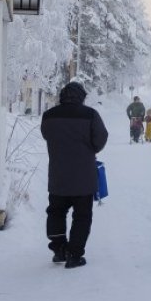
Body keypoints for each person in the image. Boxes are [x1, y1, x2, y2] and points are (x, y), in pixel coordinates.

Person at [40, 82, 109, 269]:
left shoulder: (49, 116)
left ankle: (59, 249)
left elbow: (46, 135)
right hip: (83, 177)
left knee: (56, 212)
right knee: (82, 216)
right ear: (81, 97)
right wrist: (89, 149)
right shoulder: (90, 115)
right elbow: (100, 139)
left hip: (58, 175)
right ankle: (75, 254)